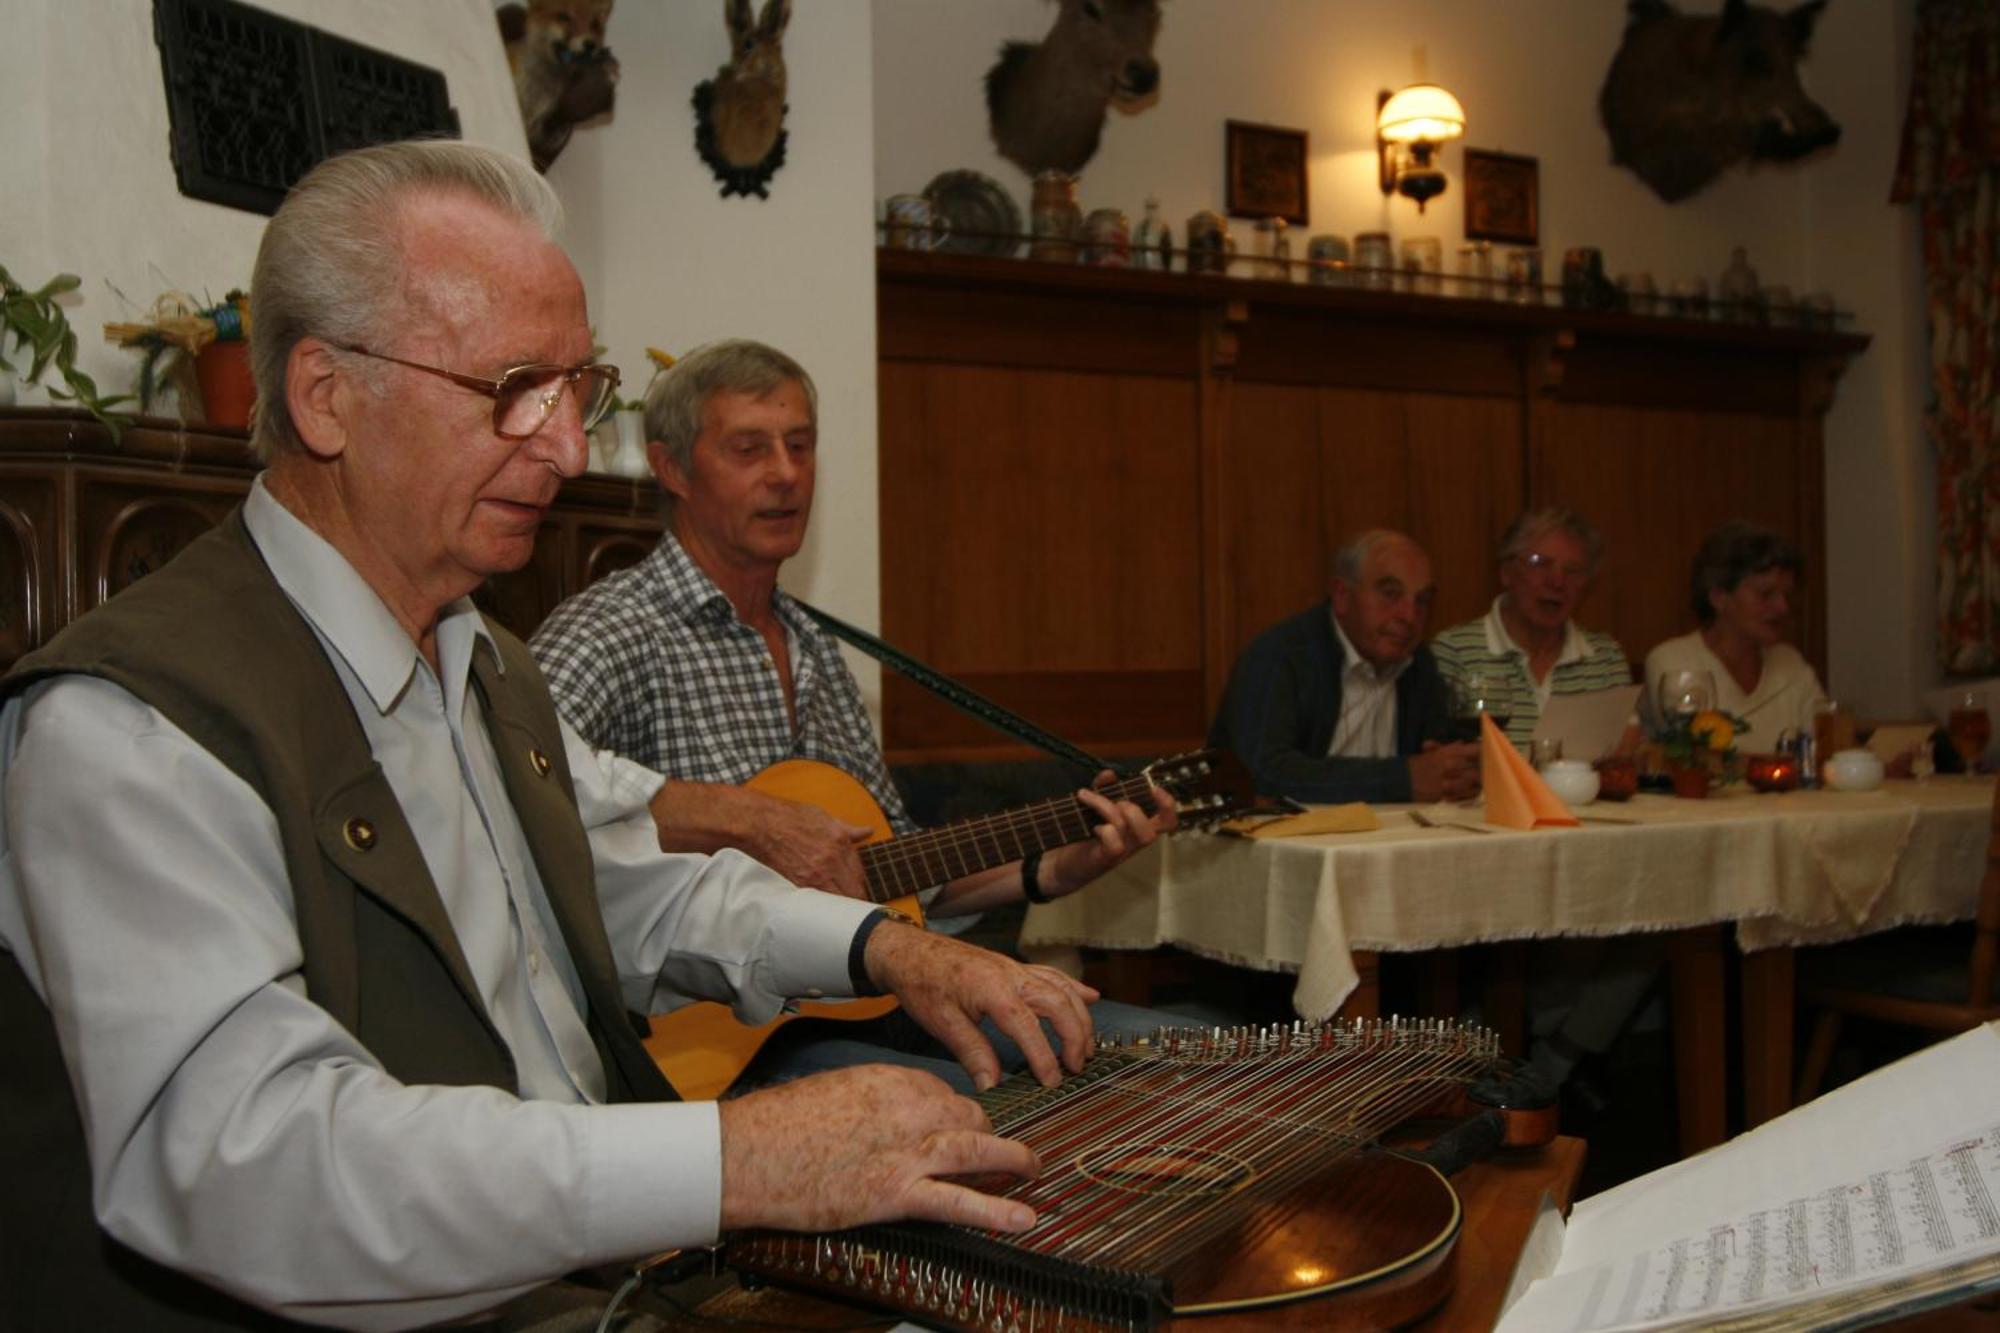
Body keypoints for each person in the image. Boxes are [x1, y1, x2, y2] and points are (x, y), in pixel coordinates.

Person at [0, 141, 1094, 1331]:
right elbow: (244, 1160)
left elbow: (632, 890)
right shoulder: (131, 722)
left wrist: (889, 950)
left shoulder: (483, 658)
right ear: (326, 396)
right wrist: (727, 1159)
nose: (568, 450)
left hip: (606, 1277)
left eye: (580, 388)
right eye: (512, 389)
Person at [530, 338, 1174, 1090]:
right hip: (718, 1040)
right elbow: (521, 802)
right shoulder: (609, 630)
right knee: (977, 1100)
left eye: (800, 445)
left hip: (863, 1001)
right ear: (672, 467)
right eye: (750, 448)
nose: (786, 473)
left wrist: (1060, 865)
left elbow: (894, 871)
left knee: (1158, 1058)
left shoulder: (817, 649)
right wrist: (744, 818)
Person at [1207, 529, 1478, 804]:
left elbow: (1437, 754)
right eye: (1390, 594)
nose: (1409, 616)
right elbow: (1260, 772)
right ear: (1342, 595)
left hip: (1386, 839)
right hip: (1286, 843)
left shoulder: (1418, 664)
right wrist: (1399, 779)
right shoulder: (1280, 658)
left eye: (1421, 601)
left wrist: (1455, 770)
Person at [1431, 508, 1634, 748]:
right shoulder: (1454, 652)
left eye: (1572, 571)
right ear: (1506, 572)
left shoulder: (1605, 659)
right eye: (1541, 564)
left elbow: (1624, 755)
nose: (1557, 582)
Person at [1643, 521, 1828, 743]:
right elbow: (1696, 756)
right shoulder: (1673, 661)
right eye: (1766, 594)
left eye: (1786, 595)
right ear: (1719, 598)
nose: (1782, 608)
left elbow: (1825, 746)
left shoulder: (1790, 663)